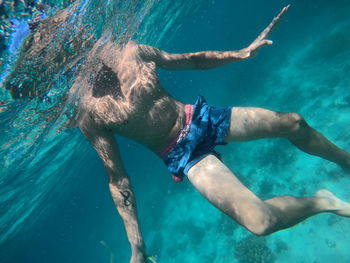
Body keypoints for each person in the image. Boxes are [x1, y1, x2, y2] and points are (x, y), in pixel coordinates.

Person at [3, 5, 350, 263]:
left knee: (293, 123)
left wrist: (241, 53)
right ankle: (324, 201)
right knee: (260, 222)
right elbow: (117, 178)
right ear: (59, 62)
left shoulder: (131, 51)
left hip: (201, 117)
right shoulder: (87, 112)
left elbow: (192, 61)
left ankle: (347, 161)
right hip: (184, 155)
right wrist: (138, 248)